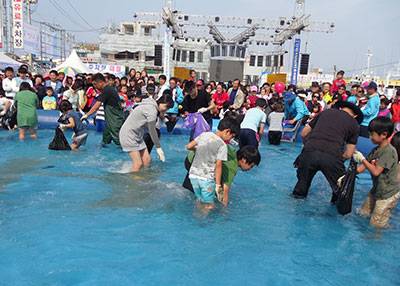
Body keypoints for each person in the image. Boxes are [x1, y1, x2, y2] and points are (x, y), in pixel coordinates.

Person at [292, 101, 363, 202]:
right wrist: (338, 159)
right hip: (332, 157)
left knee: (300, 189)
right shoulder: (354, 124)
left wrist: (308, 146)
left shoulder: (324, 113)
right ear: (355, 116)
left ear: (340, 108)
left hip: (309, 153)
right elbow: (348, 154)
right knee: (339, 191)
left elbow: (303, 134)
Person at [353, 117, 399, 228]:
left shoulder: (388, 151)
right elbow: (362, 167)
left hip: (387, 195)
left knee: (376, 224)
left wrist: (362, 158)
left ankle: (377, 238)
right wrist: (347, 175)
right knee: (363, 213)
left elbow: (376, 171)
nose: (369, 137)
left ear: (384, 134)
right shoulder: (375, 150)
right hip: (377, 190)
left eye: (372, 134)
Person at [186, 118, 239, 210]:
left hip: (193, 176)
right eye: (232, 136)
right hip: (207, 179)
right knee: (208, 206)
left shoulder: (204, 135)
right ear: (227, 131)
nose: (231, 139)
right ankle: (202, 222)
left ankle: (197, 217)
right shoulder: (222, 145)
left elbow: (189, 146)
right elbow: (218, 166)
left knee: (200, 201)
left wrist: (198, 151)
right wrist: (218, 186)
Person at [184, 145, 260, 206]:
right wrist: (224, 211)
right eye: (251, 165)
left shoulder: (231, 149)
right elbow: (225, 191)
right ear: (244, 160)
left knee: (189, 190)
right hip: (196, 164)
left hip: (191, 158)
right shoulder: (232, 168)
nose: (250, 169)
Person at [119, 94, 174, 172]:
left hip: (137, 135)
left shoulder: (152, 106)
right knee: (138, 164)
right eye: (166, 107)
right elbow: (151, 129)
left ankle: (143, 178)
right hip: (128, 135)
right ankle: (131, 183)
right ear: (161, 103)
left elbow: (146, 124)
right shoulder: (152, 109)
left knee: (147, 160)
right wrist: (158, 147)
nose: (166, 110)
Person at [81, 73, 124, 146]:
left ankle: (124, 156)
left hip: (115, 120)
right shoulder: (108, 88)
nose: (94, 86)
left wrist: (87, 115)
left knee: (119, 141)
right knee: (105, 140)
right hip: (110, 120)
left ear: (101, 82)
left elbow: (97, 106)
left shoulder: (106, 90)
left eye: (95, 84)